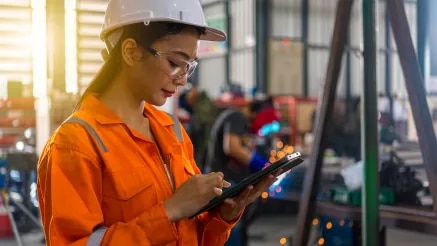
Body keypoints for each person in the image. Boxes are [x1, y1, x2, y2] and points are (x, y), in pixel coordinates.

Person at [36, 0, 279, 245]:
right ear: (130, 52)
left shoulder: (172, 132)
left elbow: (192, 233)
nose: (182, 80)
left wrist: (221, 216)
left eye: (189, 67)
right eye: (174, 64)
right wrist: (168, 212)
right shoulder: (75, 144)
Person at [204, 99, 271, 246]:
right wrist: (261, 164)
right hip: (226, 182)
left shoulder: (230, 116)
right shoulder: (236, 116)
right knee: (232, 229)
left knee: (234, 227)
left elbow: (242, 144)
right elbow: (232, 147)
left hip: (223, 180)